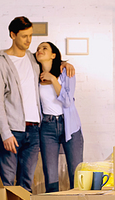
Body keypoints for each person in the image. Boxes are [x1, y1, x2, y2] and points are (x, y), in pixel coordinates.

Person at [0, 17, 73, 200]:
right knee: (8, 183)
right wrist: (5, 133)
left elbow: (50, 64)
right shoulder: (0, 64)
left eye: (31, 36)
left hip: (34, 131)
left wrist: (64, 64)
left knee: (26, 183)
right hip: (11, 132)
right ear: (12, 35)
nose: (29, 41)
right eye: (24, 36)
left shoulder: (30, 59)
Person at [35, 42, 84, 192]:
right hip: (47, 127)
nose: (39, 51)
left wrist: (53, 79)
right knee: (50, 176)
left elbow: (68, 101)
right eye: (37, 49)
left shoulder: (66, 73)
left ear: (53, 55)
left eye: (44, 48)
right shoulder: (34, 74)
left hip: (70, 125)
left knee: (76, 174)